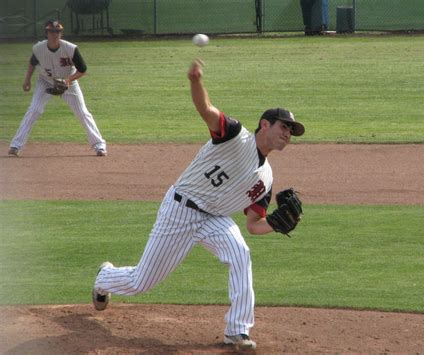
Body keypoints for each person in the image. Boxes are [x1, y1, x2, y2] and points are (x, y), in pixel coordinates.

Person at [92, 59, 305, 350]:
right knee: (143, 282)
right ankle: (105, 276)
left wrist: (278, 225)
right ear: (265, 124)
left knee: (240, 252)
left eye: (292, 131)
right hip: (180, 210)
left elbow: (254, 226)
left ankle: (237, 331)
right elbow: (207, 110)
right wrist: (195, 81)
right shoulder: (234, 135)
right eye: (284, 126)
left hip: (214, 219)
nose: (288, 134)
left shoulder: (266, 180)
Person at [8, 19, 107, 157]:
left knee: (82, 113)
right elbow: (32, 62)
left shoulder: (71, 49)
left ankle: (99, 145)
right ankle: (15, 145)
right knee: (34, 110)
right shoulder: (39, 48)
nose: (55, 34)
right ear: (46, 33)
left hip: (69, 82)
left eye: (58, 31)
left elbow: (82, 69)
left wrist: (68, 80)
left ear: (61, 33)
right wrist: (27, 79)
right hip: (45, 81)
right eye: (52, 31)